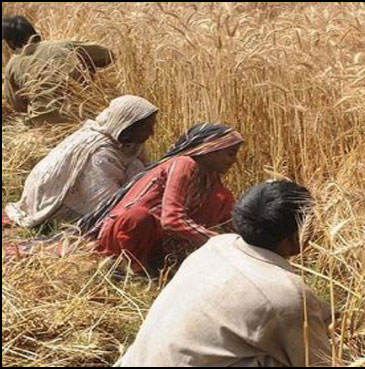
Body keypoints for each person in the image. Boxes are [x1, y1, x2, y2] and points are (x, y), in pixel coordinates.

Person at [115, 180, 332, 367]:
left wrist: (324, 312)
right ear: (294, 236)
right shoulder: (286, 294)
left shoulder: (217, 246)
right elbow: (320, 361)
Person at [78, 123, 243, 273]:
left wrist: (245, 244)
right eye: (230, 154)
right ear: (210, 149)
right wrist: (216, 242)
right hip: (127, 236)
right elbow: (171, 219)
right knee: (139, 217)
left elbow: (230, 221)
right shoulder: (184, 164)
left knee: (222, 198)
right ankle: (133, 267)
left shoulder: (210, 178)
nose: (233, 161)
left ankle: (164, 260)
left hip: (157, 237)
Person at [4, 95, 158, 228]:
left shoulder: (125, 141)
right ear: (127, 126)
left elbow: (148, 169)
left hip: (82, 191)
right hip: (55, 203)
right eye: (147, 128)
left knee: (136, 167)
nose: (152, 133)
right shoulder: (100, 155)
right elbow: (106, 204)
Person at [2, 15, 115, 125]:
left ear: (10, 42)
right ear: (33, 32)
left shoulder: (11, 66)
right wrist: (86, 68)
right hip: (80, 115)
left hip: (42, 124)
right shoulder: (63, 45)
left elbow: (16, 105)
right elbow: (108, 55)